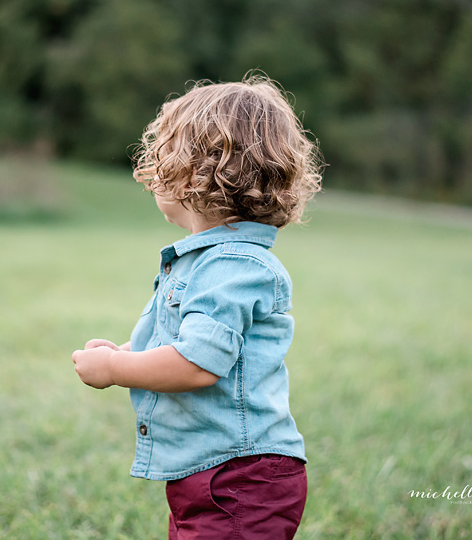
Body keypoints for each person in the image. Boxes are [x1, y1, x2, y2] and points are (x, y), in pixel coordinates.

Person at [72, 74, 322, 539]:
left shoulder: (230, 265)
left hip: (238, 478)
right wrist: (131, 352)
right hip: (218, 472)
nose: (151, 177)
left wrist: (111, 367)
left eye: (162, 160)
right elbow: (187, 341)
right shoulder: (213, 261)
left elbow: (195, 364)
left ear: (197, 172)